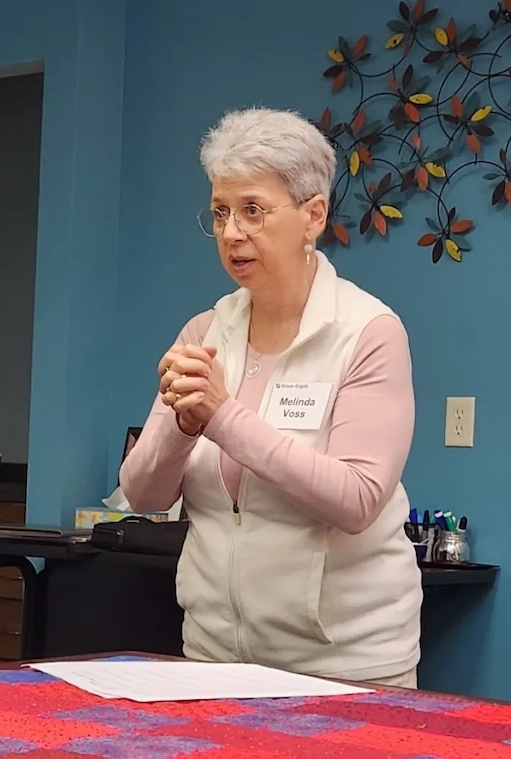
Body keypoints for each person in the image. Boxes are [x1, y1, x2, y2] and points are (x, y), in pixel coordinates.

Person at [120, 106, 421, 688]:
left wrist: (223, 417)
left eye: (253, 210)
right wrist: (180, 427)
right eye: (221, 212)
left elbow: (357, 500)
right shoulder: (204, 332)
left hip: (345, 666)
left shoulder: (368, 332)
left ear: (313, 216)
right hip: (213, 659)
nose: (233, 232)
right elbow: (143, 494)